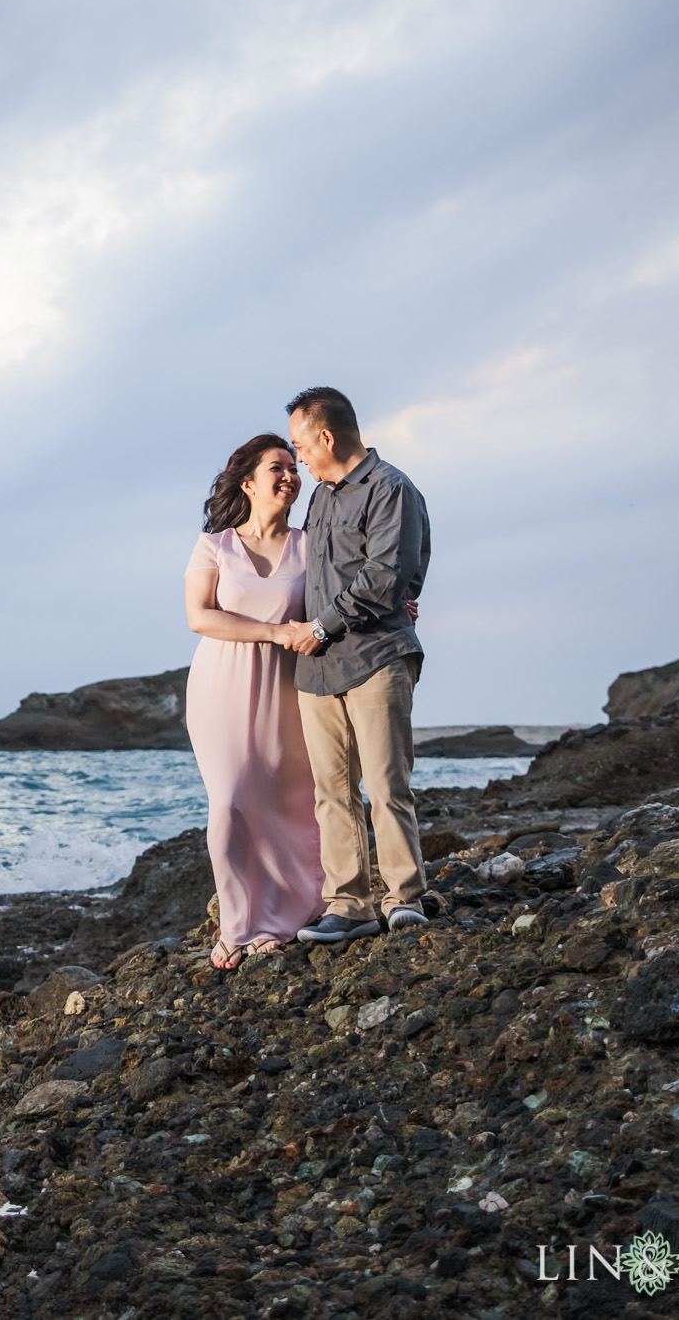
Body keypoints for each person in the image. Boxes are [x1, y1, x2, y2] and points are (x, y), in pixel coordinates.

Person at [278, 387, 433, 943]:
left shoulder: (391, 488)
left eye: (300, 445)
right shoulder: (319, 498)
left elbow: (389, 575)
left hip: (376, 658)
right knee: (332, 793)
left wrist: (320, 627)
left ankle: (405, 899)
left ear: (326, 436)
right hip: (318, 672)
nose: (298, 458)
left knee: (388, 785)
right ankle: (350, 905)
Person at [183, 433, 325, 969]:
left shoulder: (310, 545)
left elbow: (343, 592)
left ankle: (287, 917)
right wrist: (276, 632)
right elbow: (200, 616)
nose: (291, 475)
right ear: (248, 481)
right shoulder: (214, 544)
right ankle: (236, 925)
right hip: (220, 684)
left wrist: (397, 602)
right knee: (232, 801)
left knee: (289, 803)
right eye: (278, 466)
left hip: (289, 686)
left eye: (294, 467)